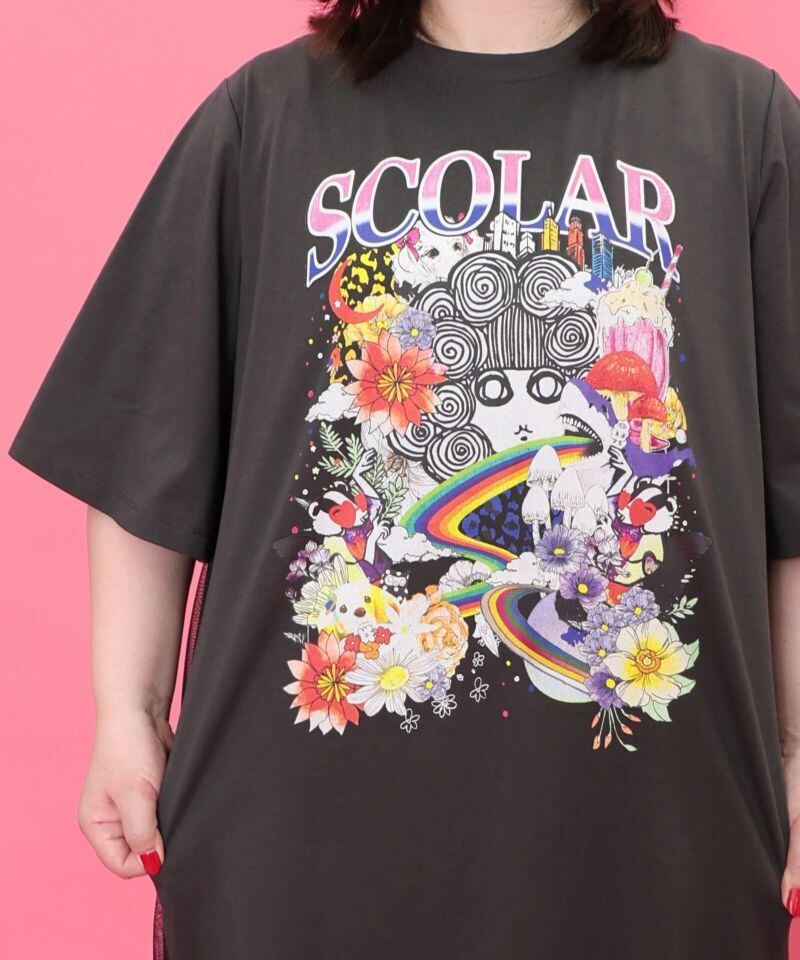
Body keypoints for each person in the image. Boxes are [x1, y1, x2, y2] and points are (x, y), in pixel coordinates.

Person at [9, 0, 800, 957]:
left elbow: (792, 499)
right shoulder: (265, 117)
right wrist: (126, 716)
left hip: (660, 852)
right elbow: (147, 443)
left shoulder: (741, 121)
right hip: (298, 854)